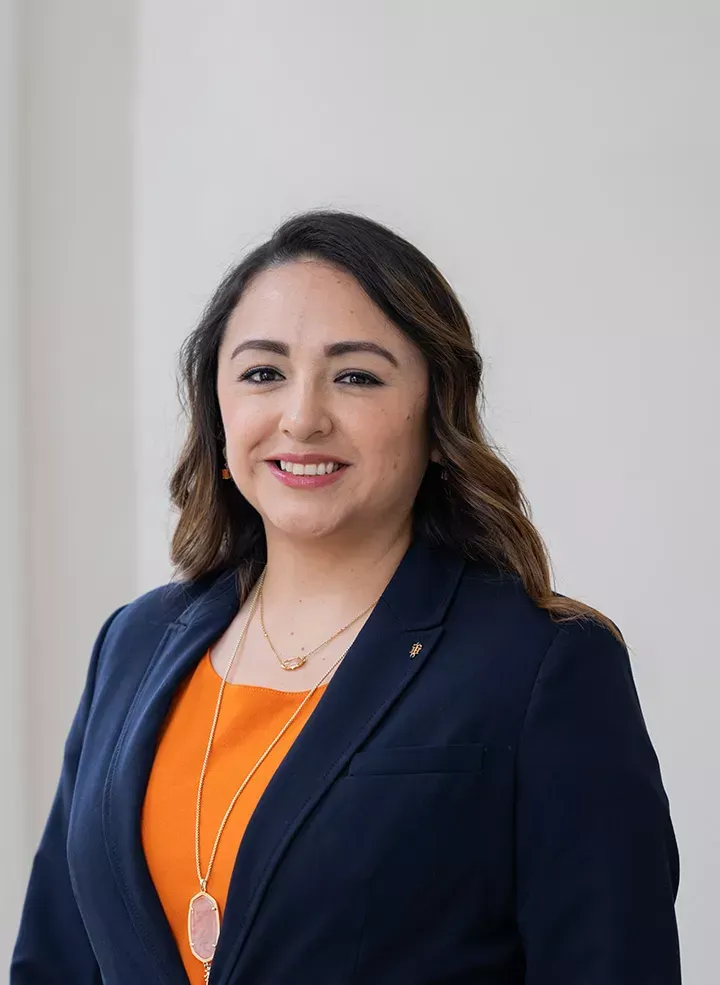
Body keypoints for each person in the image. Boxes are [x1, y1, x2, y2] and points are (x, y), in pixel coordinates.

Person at [11, 210, 681, 985]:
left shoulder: (545, 667)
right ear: (218, 412)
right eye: (263, 373)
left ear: (438, 415)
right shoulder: (133, 643)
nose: (302, 417)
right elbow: (54, 963)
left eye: (356, 375)